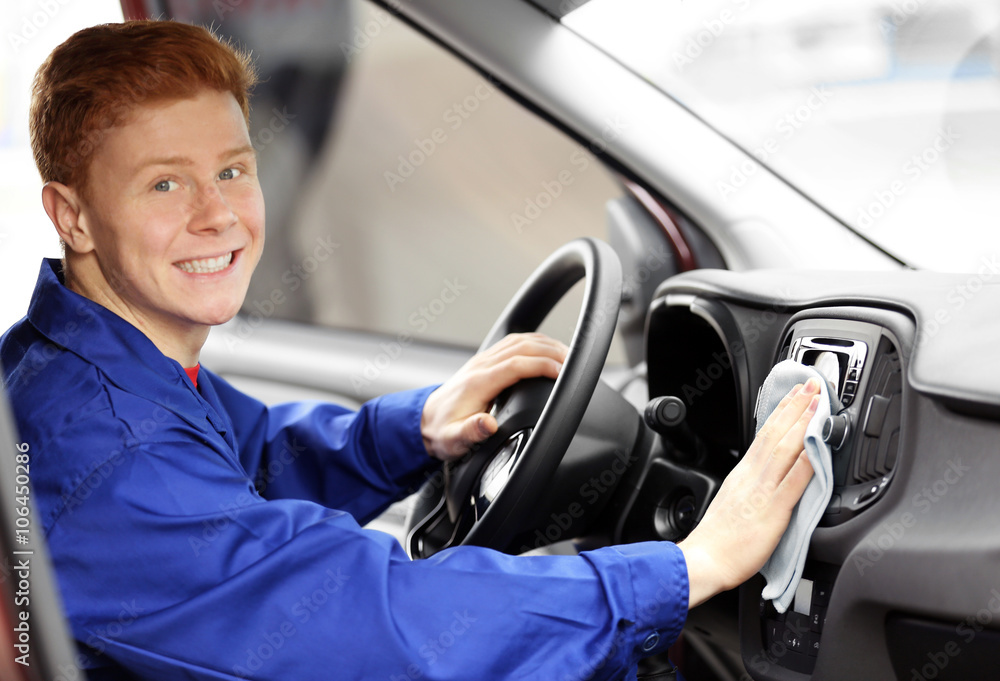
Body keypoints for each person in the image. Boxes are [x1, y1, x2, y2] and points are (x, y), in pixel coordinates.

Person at [0, 20, 821, 681]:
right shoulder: (95, 441)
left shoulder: (99, 367)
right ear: (71, 216)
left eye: (233, 169)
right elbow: (374, 621)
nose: (218, 215)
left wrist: (415, 428)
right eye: (165, 184)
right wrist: (693, 565)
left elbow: (250, 467)